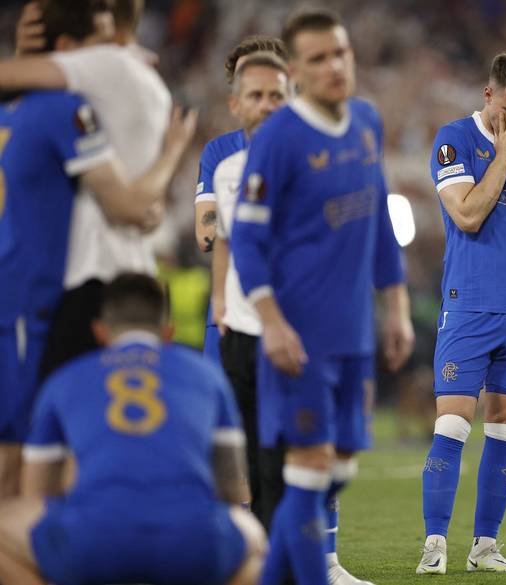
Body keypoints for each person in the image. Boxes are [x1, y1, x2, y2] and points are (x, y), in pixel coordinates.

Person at [230, 8, 414, 585]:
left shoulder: (366, 121)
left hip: (354, 334)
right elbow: (248, 242)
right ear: (298, 74)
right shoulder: (278, 139)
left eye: (341, 53)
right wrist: (273, 322)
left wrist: (397, 304)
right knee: (309, 473)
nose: (334, 66)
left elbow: (379, 218)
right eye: (318, 59)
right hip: (299, 340)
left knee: (338, 470)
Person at [0, 0, 196, 499]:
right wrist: (172, 155)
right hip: (75, 288)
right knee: (56, 444)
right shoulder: (84, 96)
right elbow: (133, 206)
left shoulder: (37, 105)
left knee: (35, 444)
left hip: (54, 285)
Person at [0, 273, 266, 585]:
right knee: (255, 541)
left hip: (93, 542)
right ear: (168, 332)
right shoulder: (207, 377)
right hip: (189, 543)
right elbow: (231, 490)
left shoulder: (66, 378)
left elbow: (38, 495)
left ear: (100, 332)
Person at [416, 52, 506, 575]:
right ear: (488, 95)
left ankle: (485, 546)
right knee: (453, 423)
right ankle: (435, 545)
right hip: (469, 306)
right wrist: (501, 155)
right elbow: (468, 214)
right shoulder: (453, 139)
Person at [0, 0, 175, 379]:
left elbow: (125, 206)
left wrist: (23, 58)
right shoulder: (144, 81)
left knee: (53, 419)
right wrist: (172, 155)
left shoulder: (95, 74)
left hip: (87, 277)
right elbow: (137, 207)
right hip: (132, 274)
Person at [206, 49, 289, 527]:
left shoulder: (315, 164)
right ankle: (264, 559)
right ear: (236, 105)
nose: (267, 104)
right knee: (253, 457)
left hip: (295, 331)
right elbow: (223, 241)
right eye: (256, 95)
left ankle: (316, 556)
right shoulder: (227, 170)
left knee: (299, 456)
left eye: (276, 95)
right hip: (241, 329)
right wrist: (220, 303)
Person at [196, 35, 288, 367]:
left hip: (292, 311)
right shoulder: (220, 155)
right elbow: (206, 235)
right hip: (230, 314)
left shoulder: (312, 150)